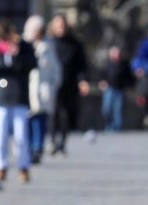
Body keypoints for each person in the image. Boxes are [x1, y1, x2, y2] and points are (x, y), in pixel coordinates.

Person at [0, 22, 36, 184]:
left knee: (21, 135)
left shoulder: (24, 47)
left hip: (19, 95)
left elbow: (32, 65)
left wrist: (18, 54)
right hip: (0, 96)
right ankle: (1, 166)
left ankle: (23, 167)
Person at [48, 14, 89, 156]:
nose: (61, 28)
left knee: (65, 113)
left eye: (63, 25)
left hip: (69, 82)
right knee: (53, 113)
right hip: (52, 84)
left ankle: (62, 143)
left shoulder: (75, 44)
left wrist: (83, 81)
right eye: (58, 25)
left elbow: (82, 65)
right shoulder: (49, 43)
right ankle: (52, 142)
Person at [23, 15, 61, 165]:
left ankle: (38, 148)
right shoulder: (24, 44)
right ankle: (28, 148)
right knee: (27, 120)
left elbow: (56, 69)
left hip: (43, 89)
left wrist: (53, 85)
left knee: (40, 120)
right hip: (28, 88)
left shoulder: (49, 45)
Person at [99, 45, 134, 132]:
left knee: (118, 110)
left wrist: (129, 86)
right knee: (106, 109)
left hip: (120, 90)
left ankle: (117, 128)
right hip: (109, 89)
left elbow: (130, 77)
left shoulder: (124, 64)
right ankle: (109, 126)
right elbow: (102, 75)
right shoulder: (107, 63)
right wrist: (102, 82)